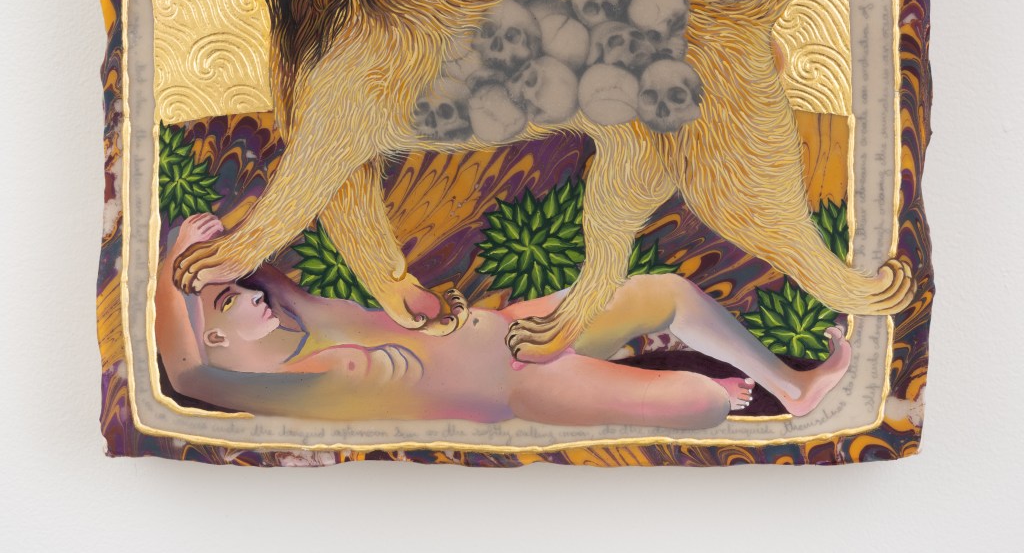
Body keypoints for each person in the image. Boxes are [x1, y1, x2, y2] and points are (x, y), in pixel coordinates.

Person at [157, 214, 852, 429]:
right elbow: (187, 373)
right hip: (520, 386)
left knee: (666, 290)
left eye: (239, 288)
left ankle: (793, 387)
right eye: (229, 301)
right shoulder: (276, 385)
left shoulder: (306, 317)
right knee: (702, 402)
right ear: (215, 335)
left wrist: (202, 254)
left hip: (522, 327)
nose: (249, 295)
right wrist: (168, 274)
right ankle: (651, 377)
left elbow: (255, 257)